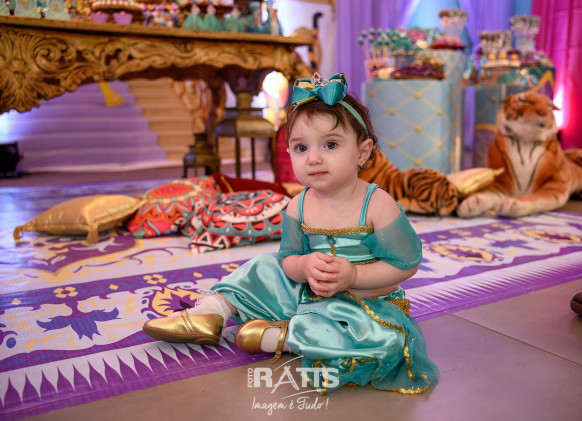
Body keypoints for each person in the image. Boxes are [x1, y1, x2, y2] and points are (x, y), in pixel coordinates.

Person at [143, 73, 439, 394]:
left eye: (330, 144)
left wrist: (353, 275)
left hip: (364, 304)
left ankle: (285, 336)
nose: (314, 158)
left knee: (388, 340)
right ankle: (211, 312)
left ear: (363, 152)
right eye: (301, 147)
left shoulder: (377, 204)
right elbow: (288, 260)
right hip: (308, 292)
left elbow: (405, 264)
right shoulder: (298, 205)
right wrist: (304, 266)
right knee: (263, 267)